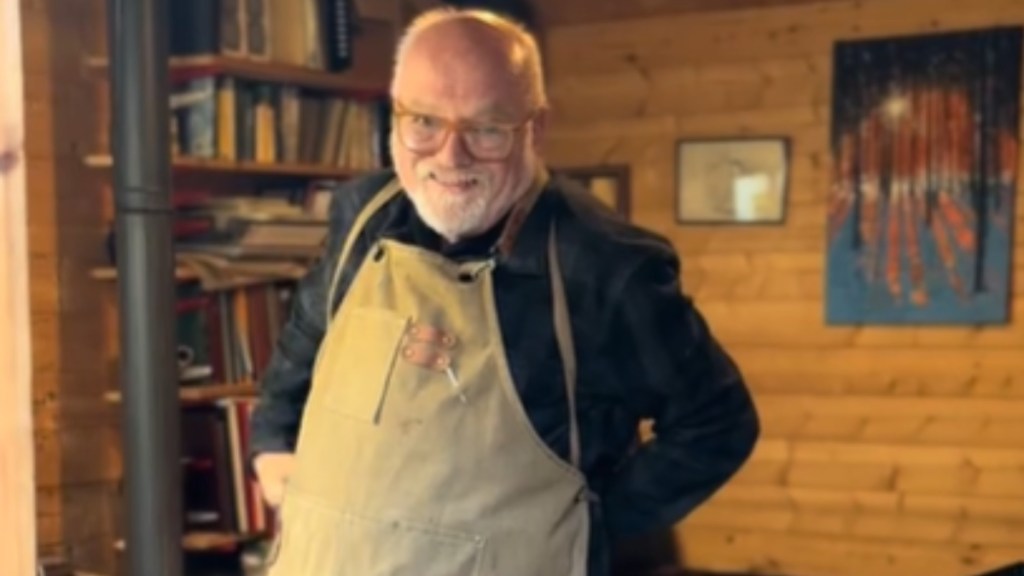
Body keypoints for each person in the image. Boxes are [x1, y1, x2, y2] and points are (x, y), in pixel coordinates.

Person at [248, 7, 759, 576]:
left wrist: (592, 525)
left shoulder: (605, 267)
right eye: (424, 122)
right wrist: (271, 438)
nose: (449, 155)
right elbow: (308, 336)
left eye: (485, 129)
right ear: (394, 119)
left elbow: (717, 423)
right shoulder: (364, 216)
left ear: (534, 129)